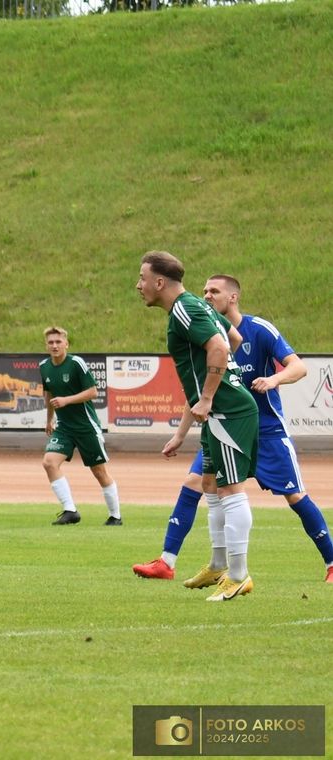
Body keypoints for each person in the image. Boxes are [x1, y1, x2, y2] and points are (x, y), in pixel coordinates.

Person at [133, 274, 333, 583]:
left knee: (294, 496)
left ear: (233, 297)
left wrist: (274, 379)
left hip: (266, 430)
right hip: (222, 422)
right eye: (205, 291)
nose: (207, 295)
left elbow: (299, 367)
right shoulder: (205, 330)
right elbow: (199, 390)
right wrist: (180, 434)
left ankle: (331, 562)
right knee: (195, 483)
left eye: (215, 291)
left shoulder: (259, 330)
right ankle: (168, 562)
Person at [135, 251, 259, 602]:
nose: (138, 285)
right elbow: (232, 339)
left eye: (142, 278)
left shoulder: (185, 309)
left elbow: (220, 346)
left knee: (231, 489)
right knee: (209, 483)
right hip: (221, 409)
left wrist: (208, 398)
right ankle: (219, 565)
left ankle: (238, 575)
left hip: (228, 411)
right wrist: (183, 428)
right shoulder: (193, 306)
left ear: (159, 282)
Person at [39, 326, 122, 526]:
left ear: (66, 344)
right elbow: (49, 394)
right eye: (51, 342)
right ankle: (70, 511)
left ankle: (115, 516)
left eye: (58, 342)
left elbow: (93, 391)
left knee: (99, 472)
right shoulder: (44, 366)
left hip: (86, 427)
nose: (55, 345)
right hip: (64, 428)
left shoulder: (76, 363)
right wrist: (49, 419)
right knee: (49, 462)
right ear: (46, 345)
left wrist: (67, 400)